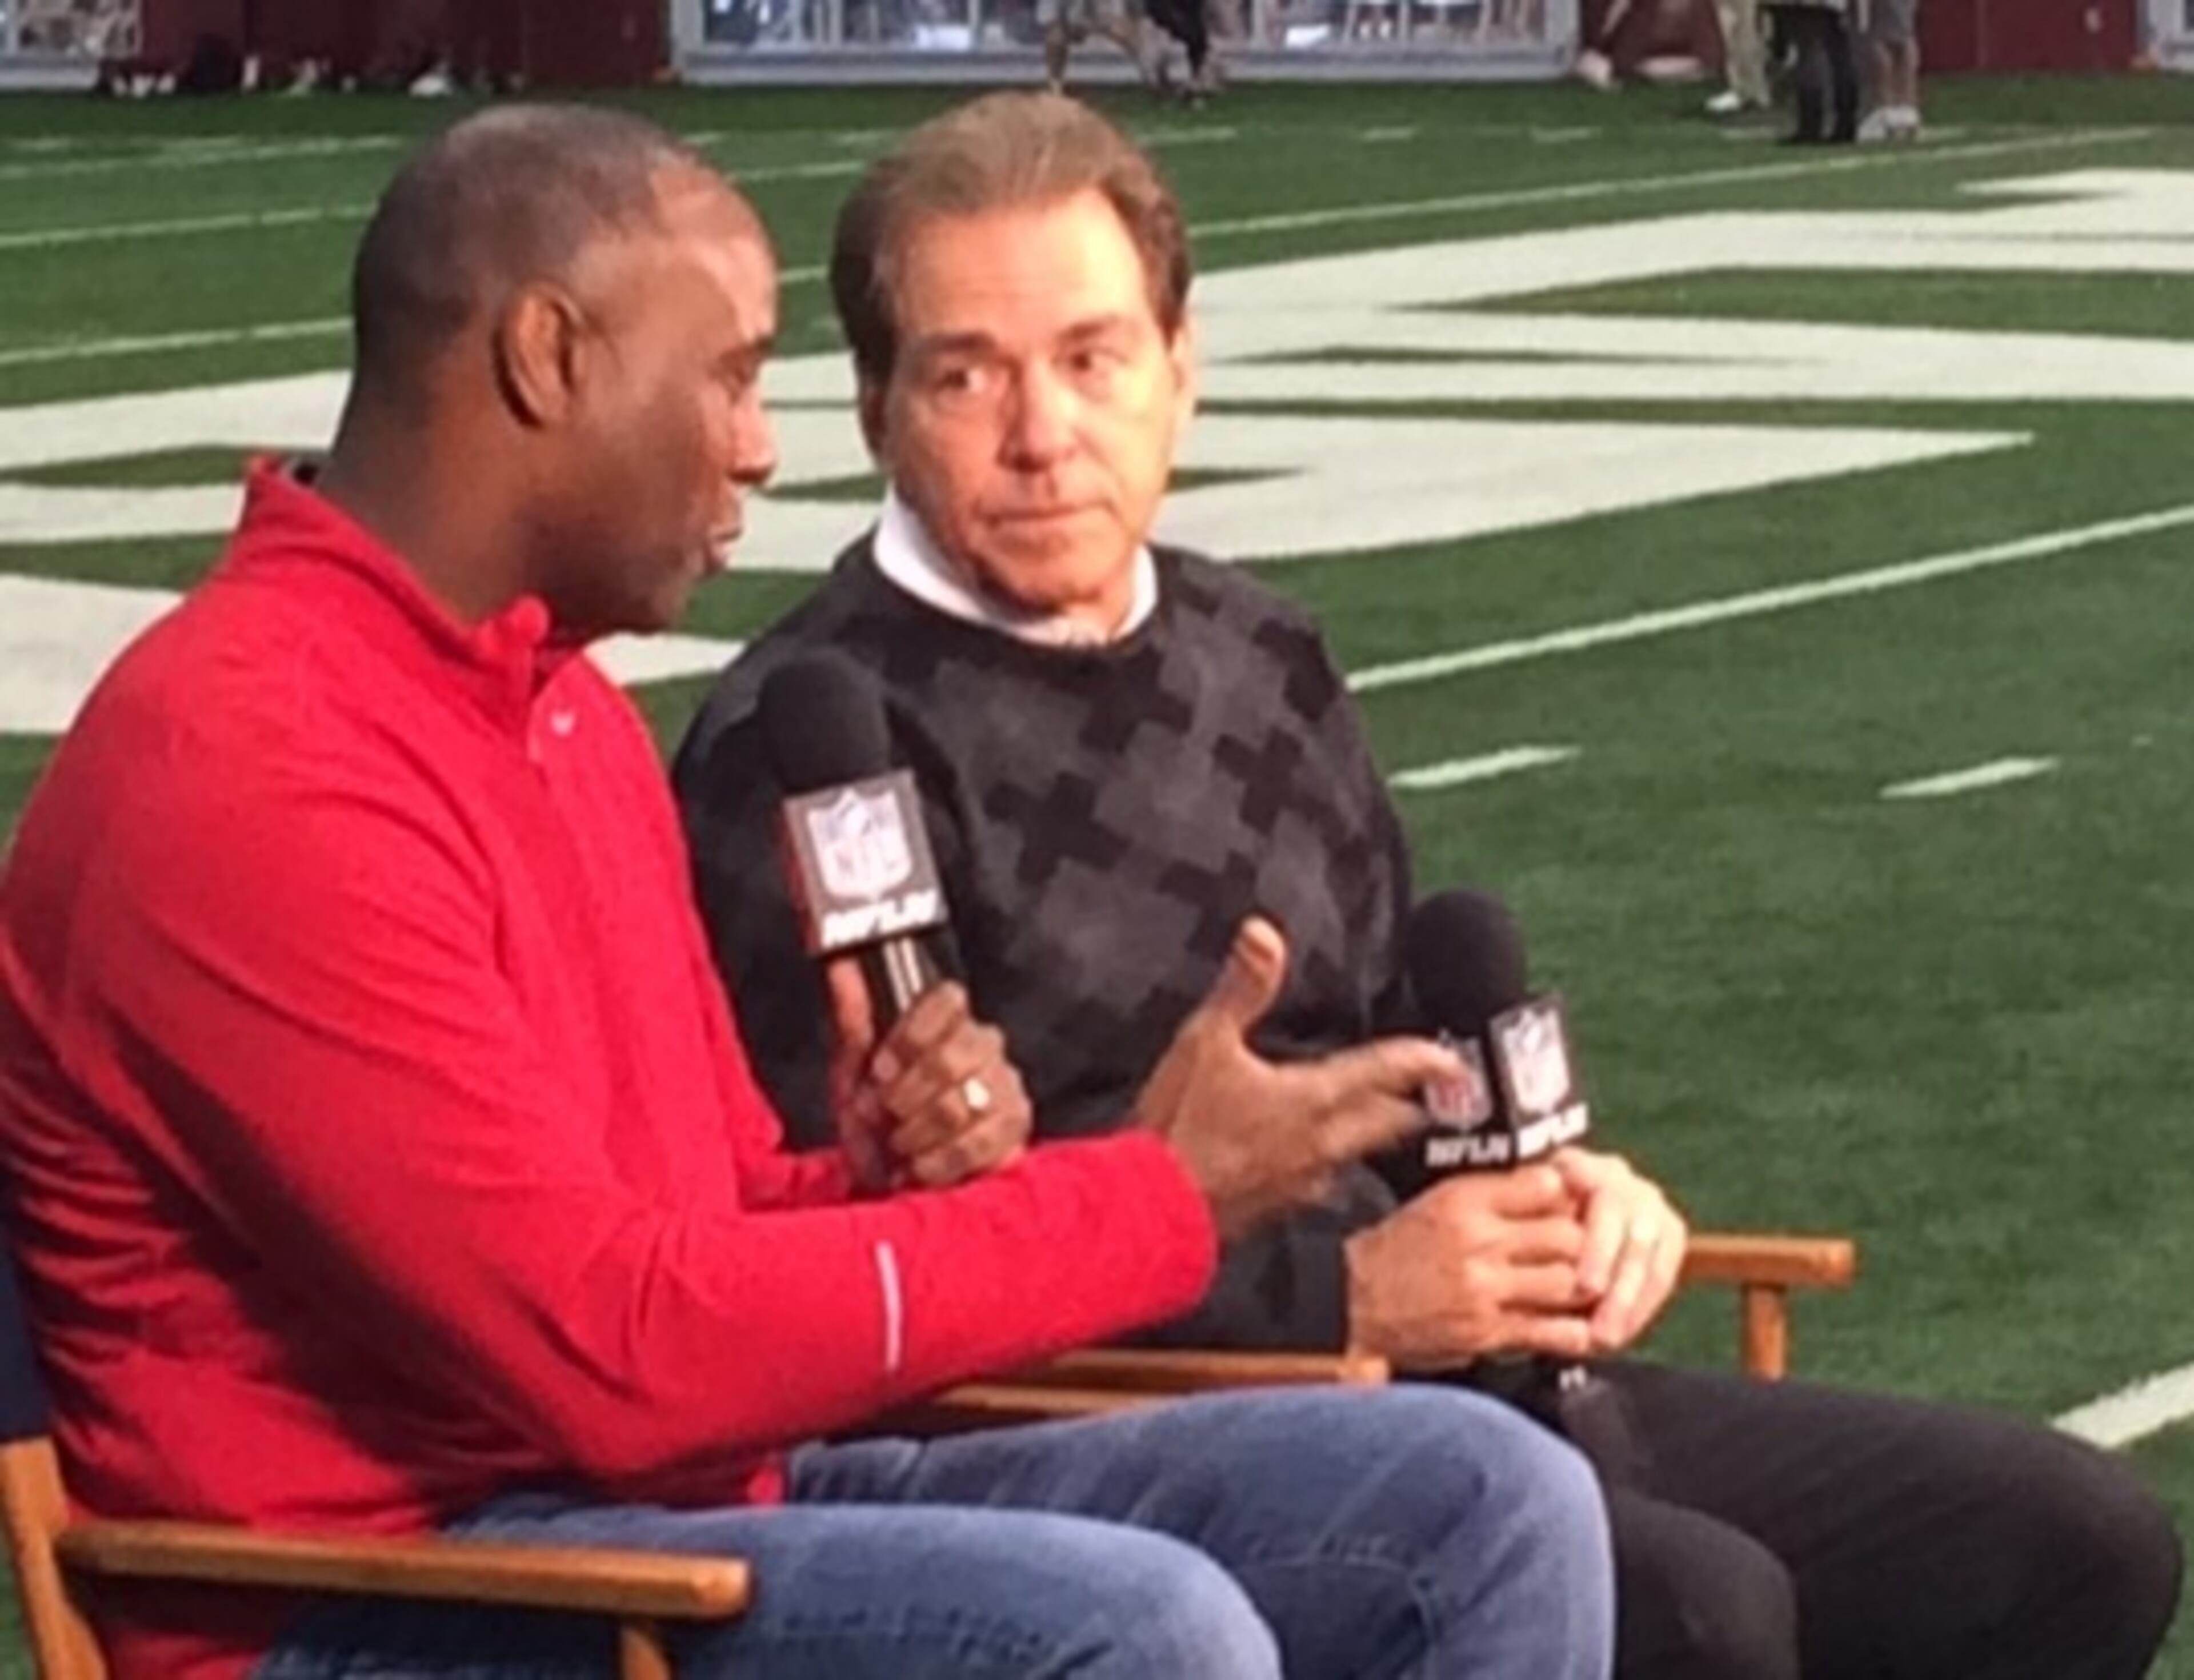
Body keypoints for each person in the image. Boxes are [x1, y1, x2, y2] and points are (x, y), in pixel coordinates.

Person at [0, 105, 1621, 1680]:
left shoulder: (557, 710)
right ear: (549, 358)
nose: (763, 446)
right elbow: (614, 1353)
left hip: (660, 1514)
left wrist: (881, 1177)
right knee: (1138, 1632)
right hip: (376, 1593)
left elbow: (690, 1230)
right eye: (727, 374)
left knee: (1487, 1504)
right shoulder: (250, 765)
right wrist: (1151, 1193)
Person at [675, 90, 2187, 1680]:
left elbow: (1404, 1049)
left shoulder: (1259, 651)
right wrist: (1342, 1295)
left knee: (2071, 1546)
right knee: (1698, 1614)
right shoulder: (816, 746)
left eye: (1092, 359)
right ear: (873, 408)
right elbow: (869, 1271)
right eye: (968, 374)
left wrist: (1572, 1197)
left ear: (1182, 374)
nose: (1044, 434)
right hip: (1133, 1429)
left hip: (1443, 1362)